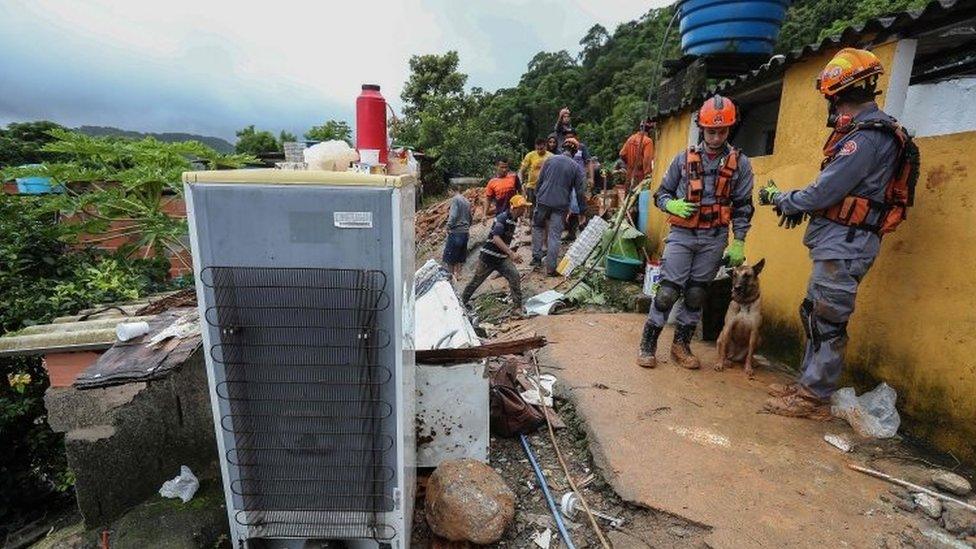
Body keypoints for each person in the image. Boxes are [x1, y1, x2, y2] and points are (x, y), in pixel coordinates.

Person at [758, 48, 916, 419]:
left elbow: (825, 191)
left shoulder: (865, 139)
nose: (831, 109)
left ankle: (813, 400)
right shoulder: (867, 133)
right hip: (839, 240)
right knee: (814, 313)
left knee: (828, 322)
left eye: (830, 100)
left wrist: (783, 199)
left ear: (840, 96)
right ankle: (806, 385)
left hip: (847, 243)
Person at [636, 95, 755, 370]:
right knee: (667, 292)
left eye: (721, 131)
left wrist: (739, 241)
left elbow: (743, 206)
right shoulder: (682, 159)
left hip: (713, 238)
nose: (715, 137)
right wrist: (672, 204)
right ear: (702, 128)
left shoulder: (741, 164)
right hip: (682, 235)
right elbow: (660, 195)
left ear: (729, 130)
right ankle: (648, 343)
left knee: (696, 294)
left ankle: (681, 344)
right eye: (711, 131)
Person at [461, 195, 530, 313]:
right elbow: (496, 238)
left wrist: (510, 254)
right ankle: (462, 302)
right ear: (513, 208)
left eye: (524, 207)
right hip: (488, 258)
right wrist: (511, 253)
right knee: (476, 281)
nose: (524, 210)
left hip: (501, 258)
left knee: (514, 276)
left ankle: (517, 308)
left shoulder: (514, 220)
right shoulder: (502, 218)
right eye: (522, 207)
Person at [532, 137, 588, 275]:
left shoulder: (550, 160)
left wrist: (537, 196)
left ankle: (536, 258)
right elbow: (580, 192)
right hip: (561, 204)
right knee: (555, 235)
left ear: (563, 148)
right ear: (575, 152)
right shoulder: (576, 168)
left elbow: (539, 181)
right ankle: (551, 269)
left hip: (543, 200)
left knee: (538, 227)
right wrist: (583, 210)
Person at [563, 129, 593, 241]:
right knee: (570, 205)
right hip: (568, 180)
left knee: (579, 203)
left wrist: (591, 178)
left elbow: (588, 162)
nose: (569, 139)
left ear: (576, 137)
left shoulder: (582, 147)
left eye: (571, 137)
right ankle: (571, 233)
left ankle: (582, 228)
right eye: (567, 137)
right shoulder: (564, 150)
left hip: (580, 179)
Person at [442, 181, 472, 279]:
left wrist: (448, 226)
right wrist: (467, 227)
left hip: (456, 232)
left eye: (449, 192)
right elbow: (470, 217)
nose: (449, 195)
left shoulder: (455, 200)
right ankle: (458, 275)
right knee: (460, 256)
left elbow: (453, 215)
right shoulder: (466, 201)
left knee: (450, 257)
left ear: (451, 190)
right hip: (465, 232)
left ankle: (450, 276)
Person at [519, 138, 553, 219]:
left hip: (545, 186)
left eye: (541, 148)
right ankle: (531, 226)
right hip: (531, 186)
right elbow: (522, 170)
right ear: (535, 147)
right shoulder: (530, 155)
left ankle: (543, 225)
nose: (539, 151)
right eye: (537, 149)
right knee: (531, 206)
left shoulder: (551, 156)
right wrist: (522, 182)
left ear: (545, 146)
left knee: (543, 206)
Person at [619, 119, 656, 184]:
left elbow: (622, 154)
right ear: (650, 130)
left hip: (629, 175)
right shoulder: (648, 141)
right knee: (639, 194)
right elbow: (647, 160)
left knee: (629, 193)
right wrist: (647, 177)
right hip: (640, 177)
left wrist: (630, 163)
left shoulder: (631, 138)